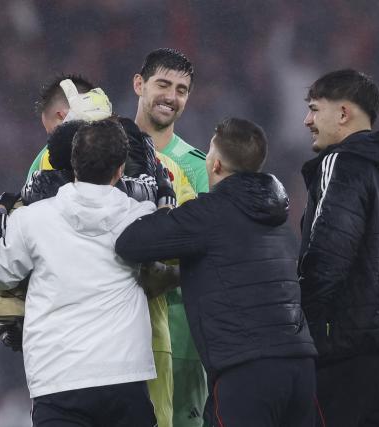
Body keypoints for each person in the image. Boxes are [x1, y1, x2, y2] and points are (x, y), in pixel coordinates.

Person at [116, 117, 318, 426]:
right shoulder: (277, 217)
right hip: (301, 368)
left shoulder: (208, 214)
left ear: (217, 165)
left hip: (247, 370)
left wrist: (164, 202)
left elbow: (130, 243)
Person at [0, 119, 164, 427]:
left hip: (58, 378)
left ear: (73, 165)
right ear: (121, 169)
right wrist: (162, 195)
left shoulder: (32, 220)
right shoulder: (140, 217)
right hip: (124, 375)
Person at [298, 68, 379, 425]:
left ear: (344, 113)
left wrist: (302, 329)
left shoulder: (342, 161)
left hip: (348, 350)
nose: (307, 120)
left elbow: (327, 258)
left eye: (315, 109)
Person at [134, 47, 209, 426]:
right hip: (116, 335)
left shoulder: (198, 168)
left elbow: (210, 251)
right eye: (163, 84)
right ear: (139, 84)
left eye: (181, 89)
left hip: (181, 338)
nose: (171, 96)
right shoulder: (101, 151)